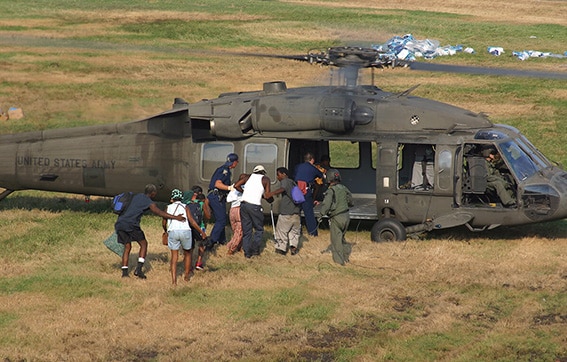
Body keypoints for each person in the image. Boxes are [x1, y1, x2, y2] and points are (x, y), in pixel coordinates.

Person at [114, 184, 186, 279]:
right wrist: (176, 217)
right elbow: (159, 212)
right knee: (144, 244)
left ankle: (125, 273)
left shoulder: (136, 196)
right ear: (153, 193)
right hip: (131, 224)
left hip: (120, 223)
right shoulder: (148, 201)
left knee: (127, 247)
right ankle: (139, 270)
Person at [162, 189, 206, 285]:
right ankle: (186, 276)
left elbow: (164, 222)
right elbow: (192, 221)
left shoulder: (168, 207)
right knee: (188, 254)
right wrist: (201, 232)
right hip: (186, 231)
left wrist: (165, 230)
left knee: (174, 256)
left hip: (173, 231)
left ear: (172, 199)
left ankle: (174, 281)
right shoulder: (185, 207)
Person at [234, 165, 274, 258]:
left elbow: (236, 185)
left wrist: (244, 192)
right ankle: (255, 251)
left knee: (247, 230)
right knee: (259, 229)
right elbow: (267, 195)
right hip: (255, 206)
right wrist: (269, 199)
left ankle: (247, 253)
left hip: (244, 205)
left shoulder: (248, 177)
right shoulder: (265, 179)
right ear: (263, 172)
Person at [319, 169, 353, 266]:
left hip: (336, 217)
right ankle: (346, 257)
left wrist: (320, 215)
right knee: (342, 238)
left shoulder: (330, 191)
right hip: (346, 216)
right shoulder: (344, 188)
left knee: (336, 240)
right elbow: (351, 201)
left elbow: (326, 205)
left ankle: (339, 262)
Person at [207, 153, 239, 248]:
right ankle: (210, 242)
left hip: (215, 196)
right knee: (221, 220)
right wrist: (229, 188)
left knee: (221, 218)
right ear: (234, 162)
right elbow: (217, 183)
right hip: (217, 196)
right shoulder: (225, 171)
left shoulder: (221, 169)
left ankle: (221, 240)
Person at [270, 167, 301, 256]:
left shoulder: (285, 181)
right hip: (296, 212)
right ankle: (293, 247)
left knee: (281, 231)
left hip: (286, 213)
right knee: (294, 232)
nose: (277, 177)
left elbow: (282, 189)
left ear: (284, 174)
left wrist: (272, 193)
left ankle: (281, 249)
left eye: (278, 174)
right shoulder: (293, 182)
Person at [294, 152, 324, 236]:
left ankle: (296, 231)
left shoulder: (298, 166)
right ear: (312, 160)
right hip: (306, 191)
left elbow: (295, 175)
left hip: (297, 191)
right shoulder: (312, 168)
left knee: (296, 212)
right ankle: (313, 233)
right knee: (309, 213)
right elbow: (320, 175)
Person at [184, 186, 211, 271]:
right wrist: (206, 204)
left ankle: (189, 264)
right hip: (200, 226)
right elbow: (208, 216)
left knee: (191, 246)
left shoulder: (187, 203)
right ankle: (199, 263)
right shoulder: (201, 203)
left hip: (189, 226)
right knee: (201, 245)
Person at [226, 173, 247, 255]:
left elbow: (228, 199)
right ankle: (231, 248)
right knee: (240, 230)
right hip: (240, 209)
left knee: (235, 229)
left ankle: (239, 246)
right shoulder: (246, 188)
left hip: (232, 210)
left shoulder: (233, 188)